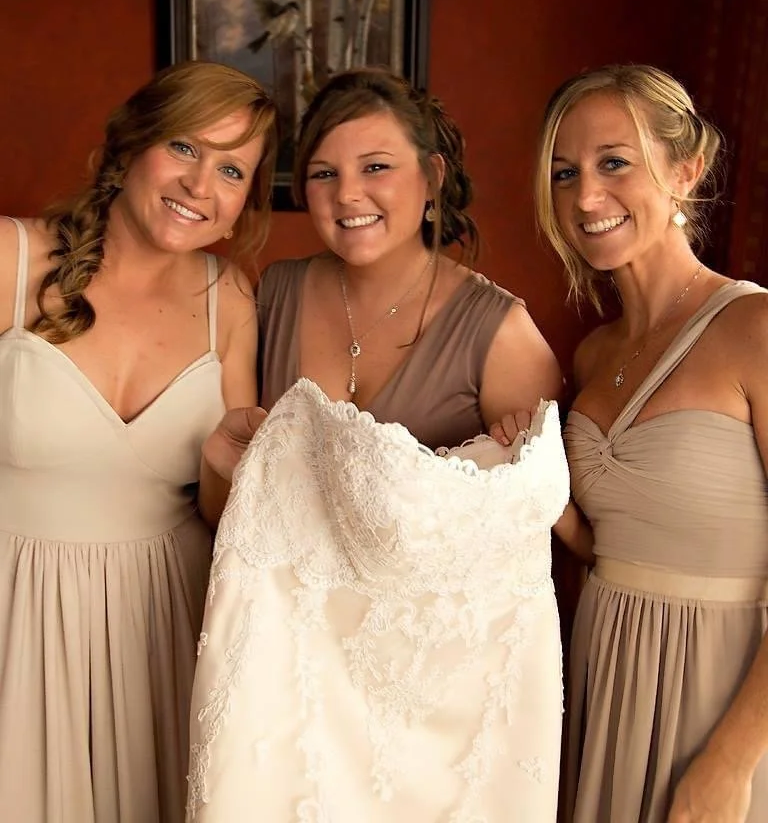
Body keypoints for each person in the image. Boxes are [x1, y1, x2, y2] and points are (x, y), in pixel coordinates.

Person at [187, 68, 591, 821]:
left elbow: (537, 552)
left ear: (431, 178)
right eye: (323, 174)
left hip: (426, 720)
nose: (348, 195)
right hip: (287, 695)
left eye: (375, 167)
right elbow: (232, 521)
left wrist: (526, 472)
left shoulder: (500, 333)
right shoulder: (269, 296)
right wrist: (219, 467)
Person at [0, 60, 277, 823]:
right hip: (14, 609)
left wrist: (223, 466)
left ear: (241, 205)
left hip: (162, 623)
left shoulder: (230, 301)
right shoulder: (11, 258)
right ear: (129, 148)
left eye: (231, 170)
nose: (200, 184)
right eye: (184, 147)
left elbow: (227, 517)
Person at [530, 63, 768, 822]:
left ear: (685, 171)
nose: (585, 197)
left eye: (614, 163)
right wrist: (530, 484)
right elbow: (608, 547)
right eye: (565, 173)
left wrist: (732, 761)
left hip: (723, 697)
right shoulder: (591, 356)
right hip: (607, 675)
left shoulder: (755, 329)